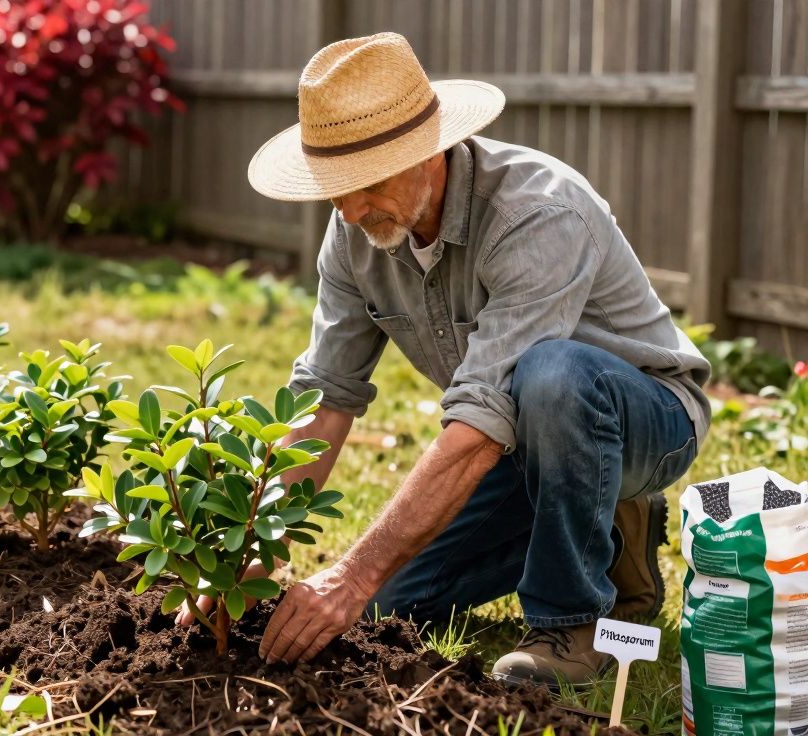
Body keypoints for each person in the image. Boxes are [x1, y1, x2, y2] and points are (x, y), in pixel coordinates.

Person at [177, 32, 710, 687]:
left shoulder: (535, 213)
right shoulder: (355, 234)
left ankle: (572, 624)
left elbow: (486, 418)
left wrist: (348, 572)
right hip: (519, 441)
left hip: (642, 420)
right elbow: (326, 395)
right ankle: (611, 533)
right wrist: (253, 552)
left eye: (365, 182)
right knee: (379, 609)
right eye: (334, 187)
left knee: (551, 375)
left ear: (427, 153)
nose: (347, 208)